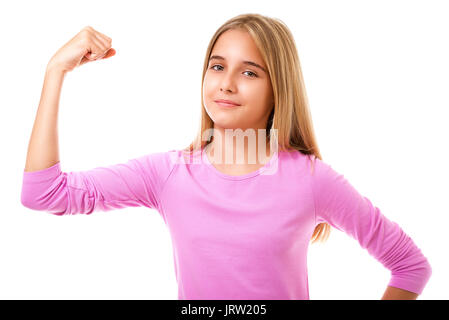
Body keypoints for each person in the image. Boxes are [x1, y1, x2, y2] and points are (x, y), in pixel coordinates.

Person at [21, 14, 431, 300]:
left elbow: (411, 266)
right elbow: (44, 194)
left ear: (278, 89)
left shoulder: (311, 180)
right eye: (218, 66)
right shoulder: (168, 174)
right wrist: (55, 70)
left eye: (250, 72)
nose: (227, 84)